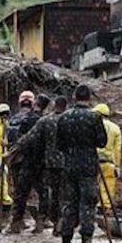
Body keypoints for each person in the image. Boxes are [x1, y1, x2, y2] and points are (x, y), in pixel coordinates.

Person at [55, 84, 106, 243]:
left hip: (69, 167)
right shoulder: (94, 117)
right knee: (87, 205)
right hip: (88, 167)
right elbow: (102, 142)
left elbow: (59, 145)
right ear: (89, 98)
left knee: (69, 205)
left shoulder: (63, 118)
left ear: (74, 97)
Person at [6, 93, 52, 233]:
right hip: (41, 162)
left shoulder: (23, 120)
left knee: (21, 192)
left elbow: (19, 139)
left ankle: (16, 223)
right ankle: (41, 222)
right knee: (44, 193)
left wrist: (12, 153)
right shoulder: (46, 120)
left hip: (26, 161)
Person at [38, 95, 69, 232]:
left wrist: (14, 150)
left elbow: (32, 137)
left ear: (54, 105)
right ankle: (61, 223)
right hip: (66, 163)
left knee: (53, 193)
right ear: (65, 106)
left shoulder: (46, 120)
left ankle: (53, 220)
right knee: (64, 194)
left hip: (50, 163)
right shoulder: (69, 120)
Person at [93, 103, 122, 233]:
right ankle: (105, 212)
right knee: (108, 189)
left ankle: (91, 216)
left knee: (93, 187)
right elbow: (117, 149)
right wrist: (117, 165)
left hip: (93, 162)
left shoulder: (91, 125)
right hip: (109, 162)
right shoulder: (115, 128)